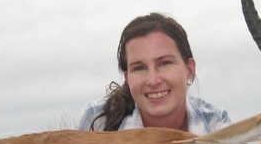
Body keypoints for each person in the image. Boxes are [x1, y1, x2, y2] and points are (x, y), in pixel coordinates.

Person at [76, 13, 231, 133]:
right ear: (127, 78)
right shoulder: (97, 121)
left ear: (190, 69)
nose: (153, 80)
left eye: (164, 64)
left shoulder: (216, 127)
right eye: (139, 68)